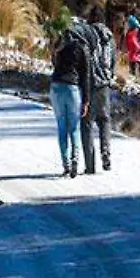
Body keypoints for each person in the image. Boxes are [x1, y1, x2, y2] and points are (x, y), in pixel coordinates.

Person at [74, 2, 116, 174]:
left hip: (90, 84)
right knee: (105, 120)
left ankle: (90, 165)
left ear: (91, 18)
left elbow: (83, 59)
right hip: (105, 85)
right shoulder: (110, 37)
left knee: (87, 123)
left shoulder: (87, 33)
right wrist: (109, 76)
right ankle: (106, 152)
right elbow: (113, 61)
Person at [49, 24, 90, 178]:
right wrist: (86, 100)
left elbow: (54, 64)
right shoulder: (81, 49)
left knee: (61, 127)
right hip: (72, 88)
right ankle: (75, 161)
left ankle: (65, 164)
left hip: (56, 87)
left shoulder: (59, 47)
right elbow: (85, 77)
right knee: (74, 127)